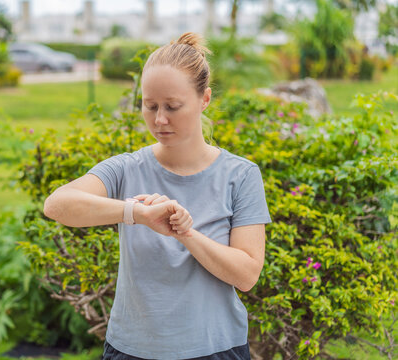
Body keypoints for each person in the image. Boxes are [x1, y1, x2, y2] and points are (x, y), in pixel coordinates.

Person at [43, 32, 272, 360]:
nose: (160, 119)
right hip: (132, 350)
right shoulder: (126, 169)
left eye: (173, 106)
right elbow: (57, 205)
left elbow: (247, 274)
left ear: (204, 99)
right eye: (150, 106)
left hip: (217, 349)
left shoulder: (241, 175)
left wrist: (186, 233)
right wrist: (135, 213)